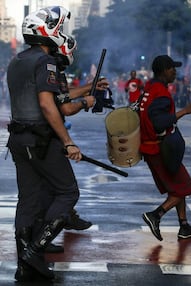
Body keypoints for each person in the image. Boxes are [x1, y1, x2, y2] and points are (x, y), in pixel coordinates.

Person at [7, 6, 81, 281]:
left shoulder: (17, 60)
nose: (61, 34)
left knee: (28, 201)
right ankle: (34, 251)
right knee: (67, 193)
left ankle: (25, 266)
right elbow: (48, 105)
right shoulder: (45, 61)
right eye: (58, 28)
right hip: (41, 140)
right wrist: (68, 141)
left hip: (18, 139)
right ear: (47, 31)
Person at [139, 55, 191, 241]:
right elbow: (159, 122)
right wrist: (185, 111)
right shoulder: (160, 93)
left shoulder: (150, 88)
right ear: (163, 71)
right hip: (159, 149)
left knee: (177, 187)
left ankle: (184, 226)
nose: (175, 72)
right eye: (171, 68)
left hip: (152, 148)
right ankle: (155, 215)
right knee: (185, 187)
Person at [52, 35, 110, 232]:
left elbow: (63, 94)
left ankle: (68, 215)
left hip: (44, 136)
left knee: (51, 185)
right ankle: (42, 239)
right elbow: (65, 107)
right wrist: (86, 102)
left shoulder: (52, 68)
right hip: (48, 137)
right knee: (66, 190)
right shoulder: (52, 70)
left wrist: (88, 88)